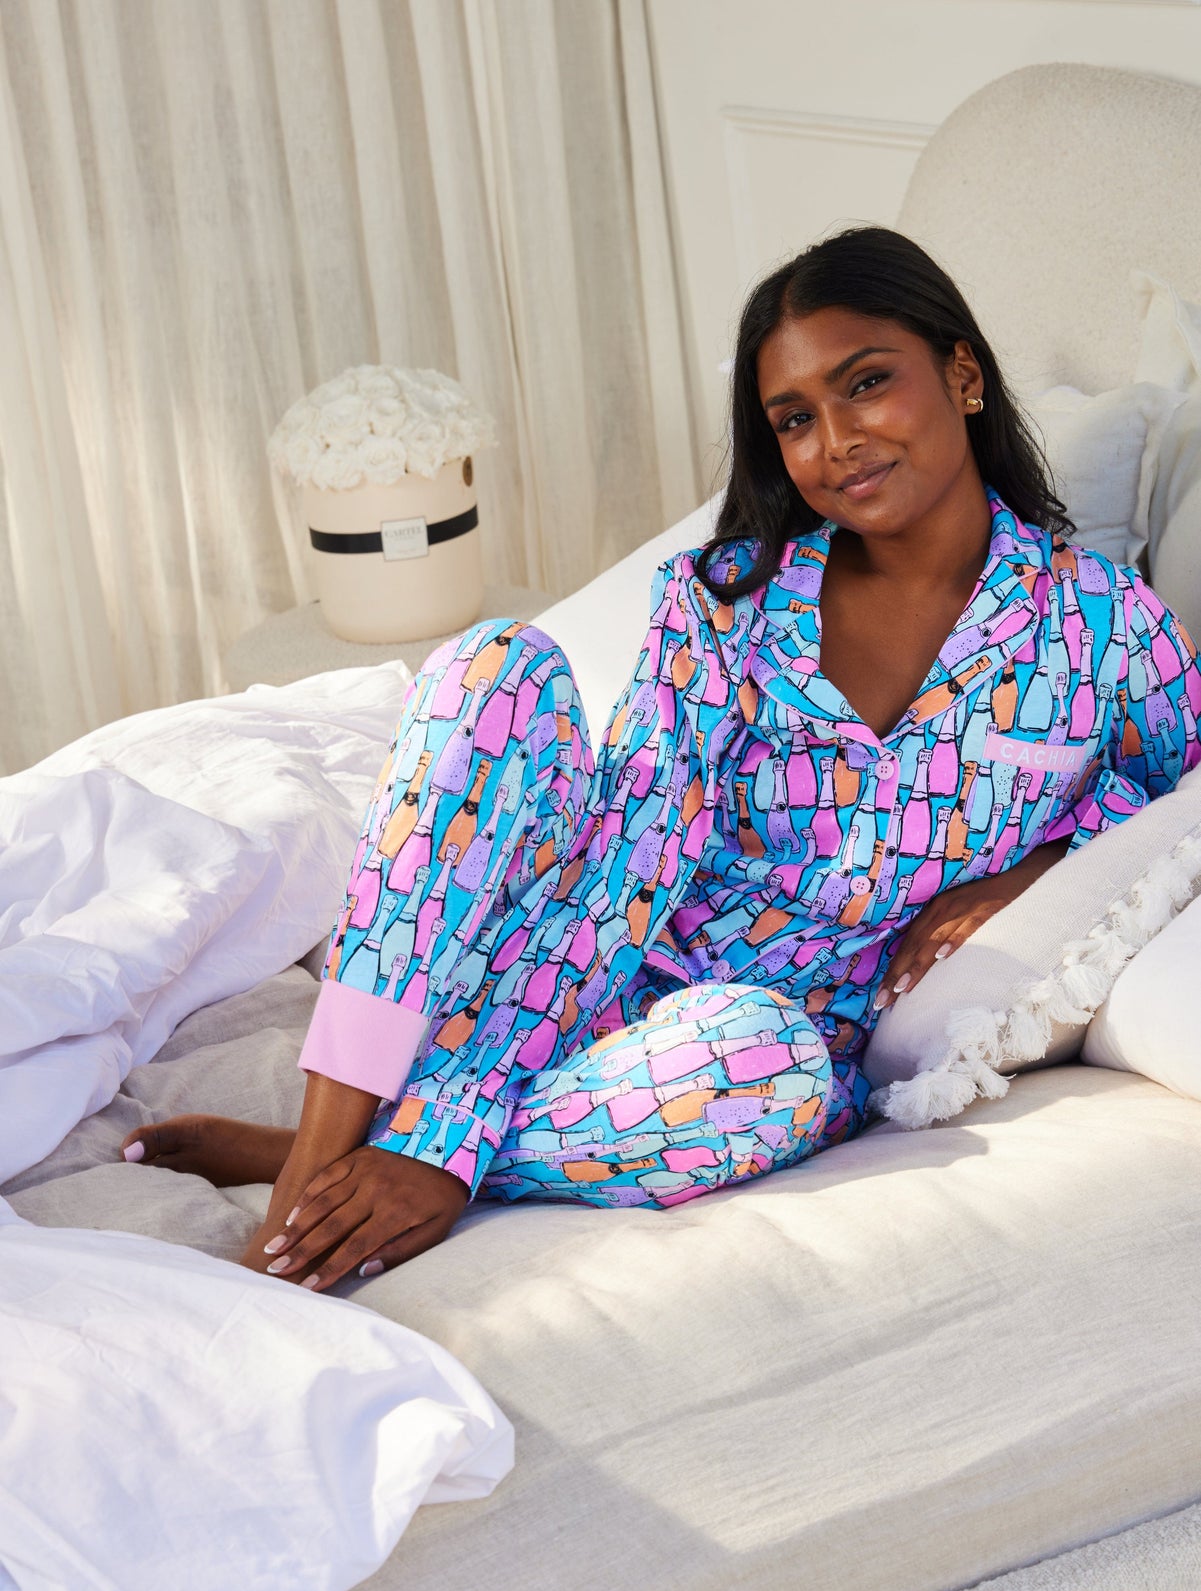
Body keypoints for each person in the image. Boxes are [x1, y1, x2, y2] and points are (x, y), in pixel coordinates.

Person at [121, 224, 1201, 1292]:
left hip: (739, 1050)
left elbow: (1175, 813)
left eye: (866, 383)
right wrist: (458, 1110)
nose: (835, 440)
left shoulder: (1107, 628)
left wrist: (1033, 870)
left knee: (765, 1063)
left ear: (961, 374)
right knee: (495, 664)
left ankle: (400, 1149)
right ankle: (320, 1162)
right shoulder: (723, 600)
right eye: (794, 418)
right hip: (573, 957)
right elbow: (626, 862)